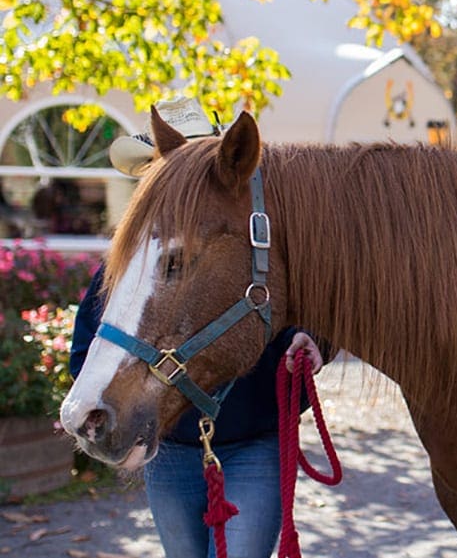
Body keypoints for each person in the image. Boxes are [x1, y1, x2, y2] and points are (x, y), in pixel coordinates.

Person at [70, 102, 329, 558]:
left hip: (251, 449)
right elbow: (89, 348)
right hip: (171, 452)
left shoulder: (254, 245)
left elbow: (308, 310)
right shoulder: (133, 261)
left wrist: (317, 345)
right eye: (157, 169)